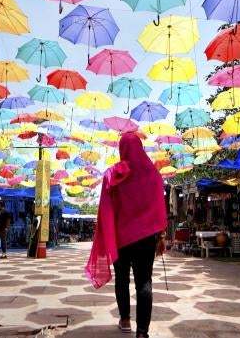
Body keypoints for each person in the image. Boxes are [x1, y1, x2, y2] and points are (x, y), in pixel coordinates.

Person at [85, 132, 167, 338]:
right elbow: (159, 207)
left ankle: (125, 320)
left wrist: (106, 234)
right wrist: (162, 236)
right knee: (144, 281)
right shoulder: (153, 175)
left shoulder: (113, 175)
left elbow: (105, 208)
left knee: (122, 280)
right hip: (147, 238)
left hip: (120, 239)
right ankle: (142, 332)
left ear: (122, 149)